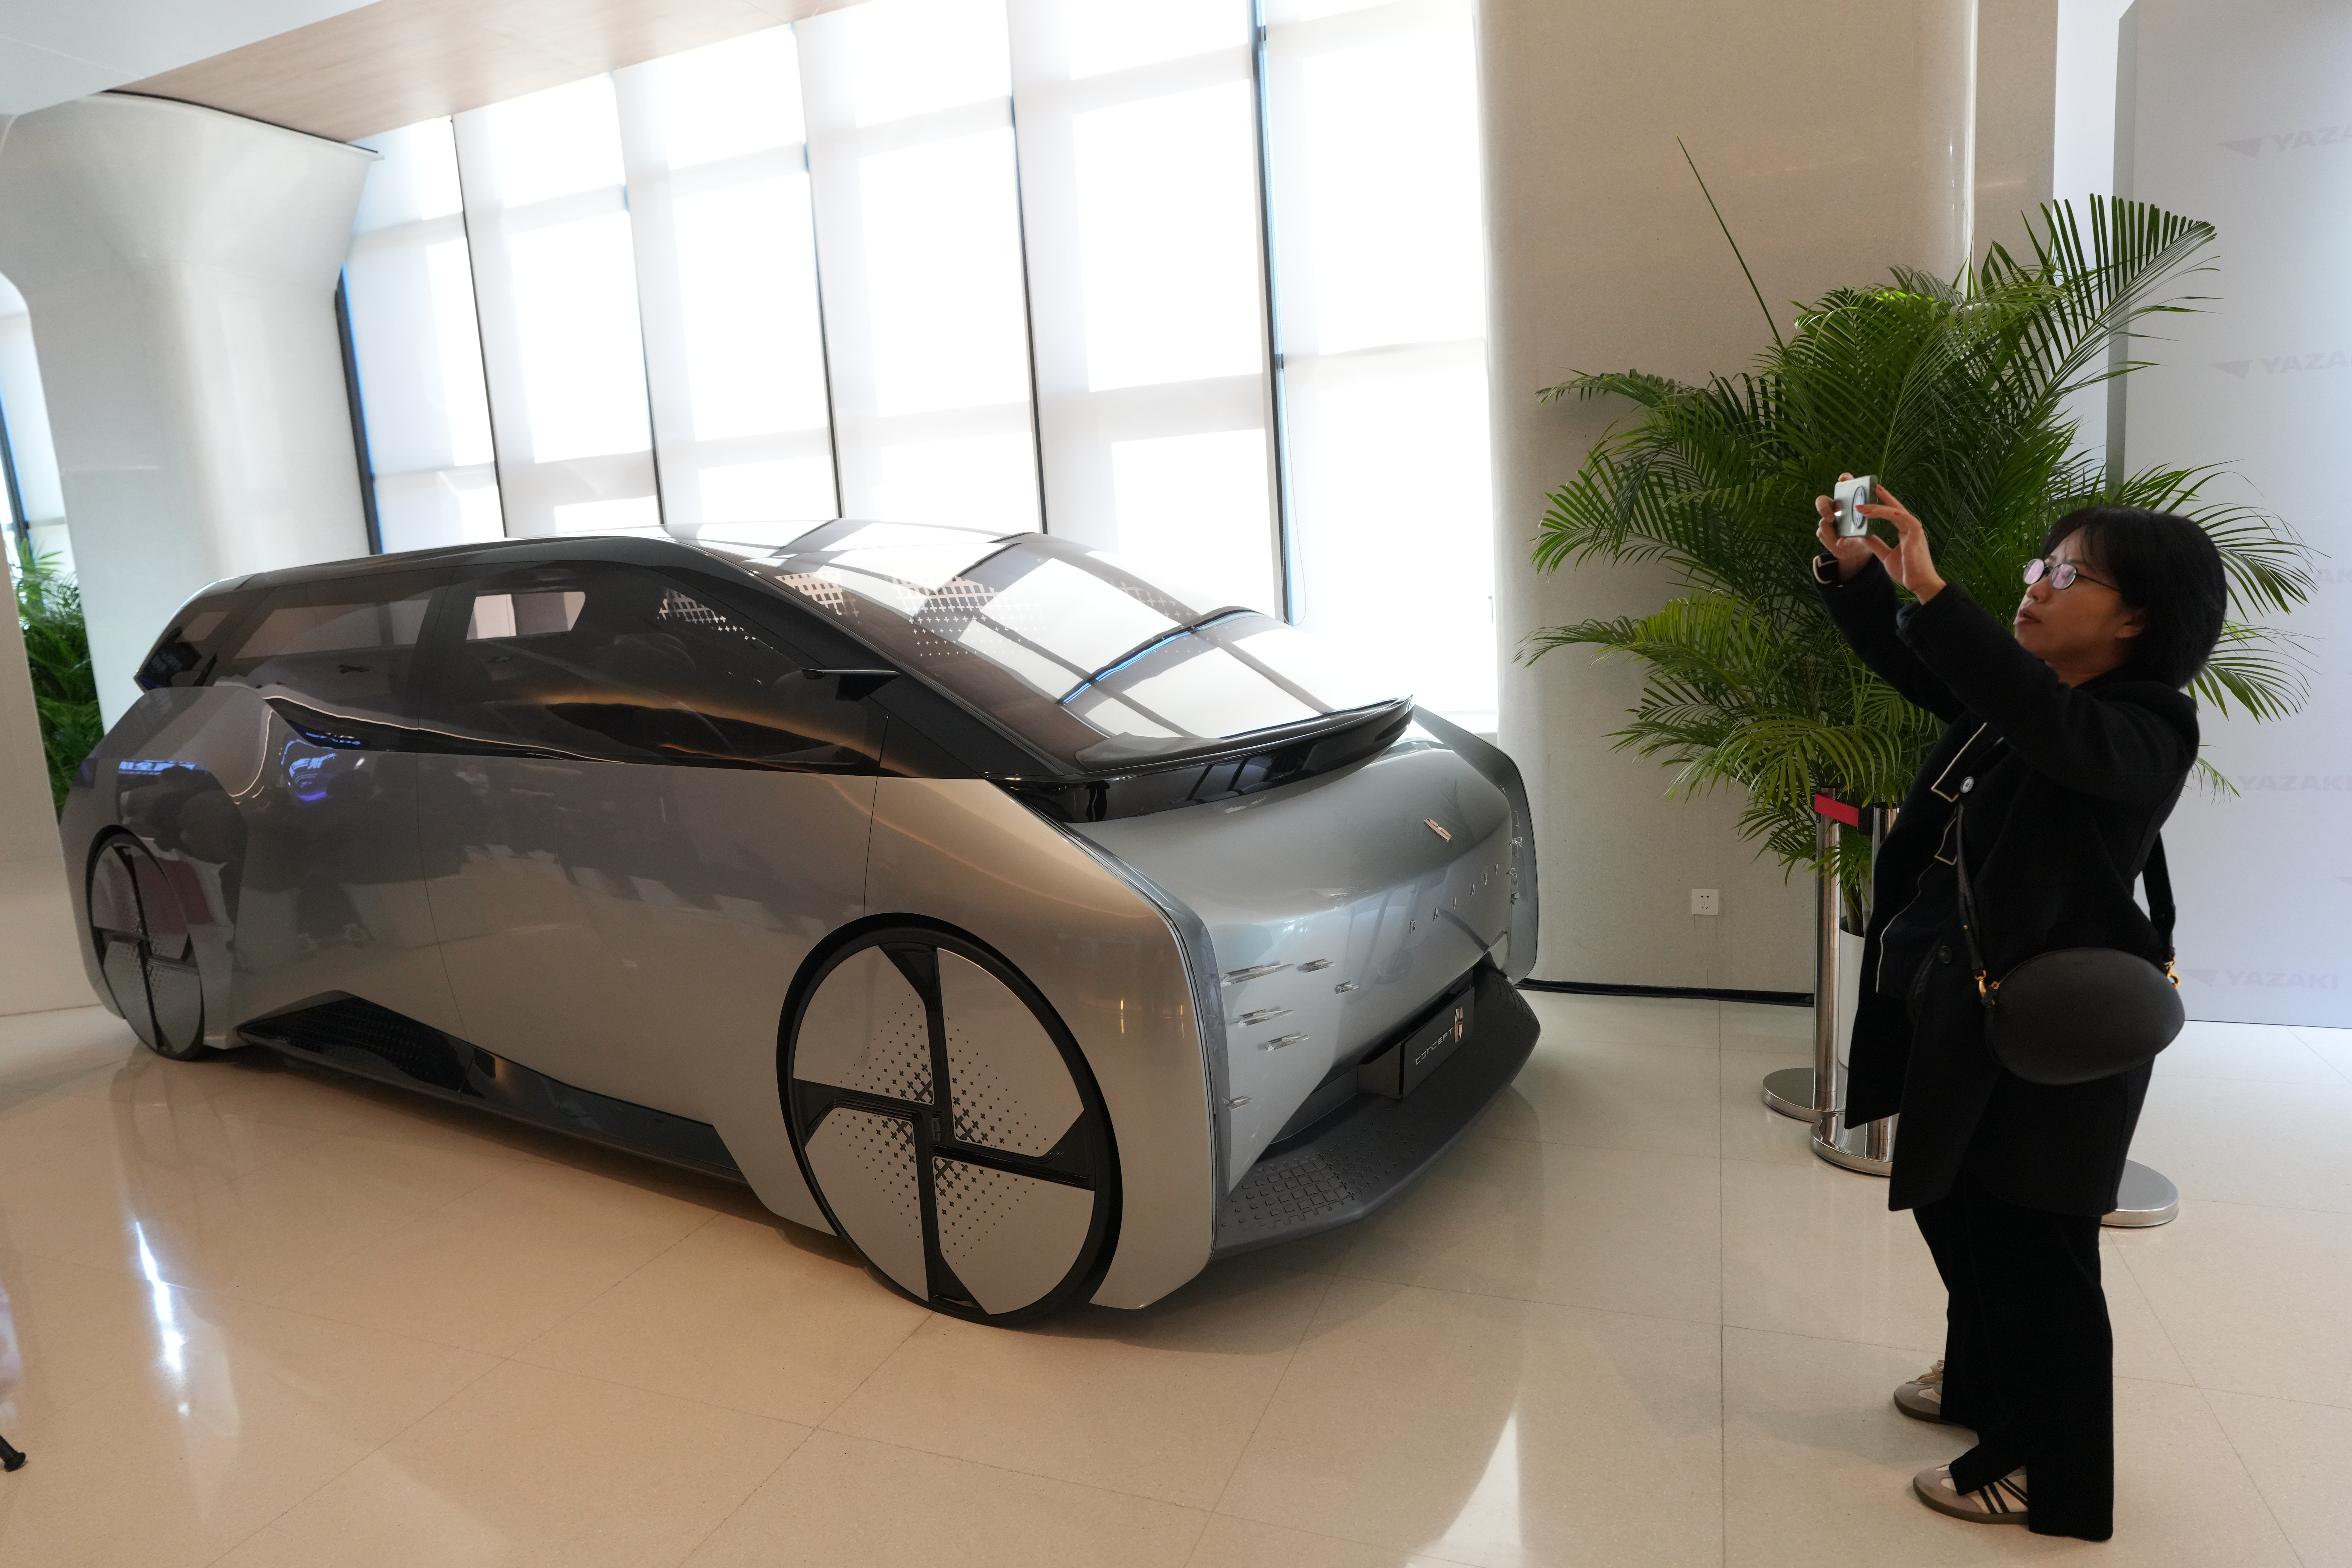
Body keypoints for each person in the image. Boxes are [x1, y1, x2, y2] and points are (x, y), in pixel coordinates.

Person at [1811, 481, 2227, 1541]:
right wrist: (1859, 578)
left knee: (2038, 1249)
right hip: (1968, 1002)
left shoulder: (2145, 724)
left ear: (2137, 619)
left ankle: (2052, 1472)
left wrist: (1936, 591)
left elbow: (2054, 730)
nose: (2036, 586)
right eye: (2044, 567)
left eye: (2068, 575)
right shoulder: (2029, 701)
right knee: (1958, 1204)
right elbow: (1930, 665)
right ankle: (1986, 1384)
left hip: (2054, 1038)